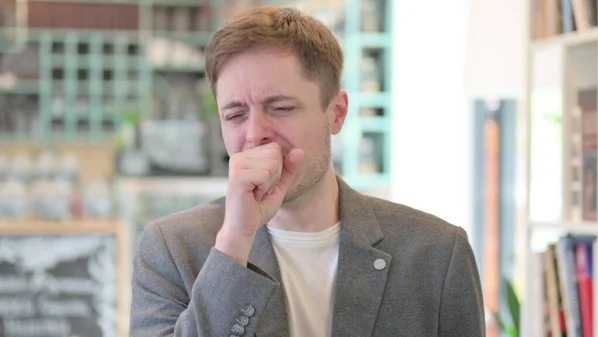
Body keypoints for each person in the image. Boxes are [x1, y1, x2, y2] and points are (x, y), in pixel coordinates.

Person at [129, 6, 485, 337]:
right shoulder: (172, 249)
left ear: (337, 113)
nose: (255, 134)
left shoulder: (436, 253)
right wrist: (235, 242)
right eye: (235, 115)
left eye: (281, 107)